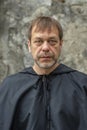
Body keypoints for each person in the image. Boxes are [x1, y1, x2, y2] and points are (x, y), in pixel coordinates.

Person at [0, 16, 87, 130]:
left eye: (52, 41)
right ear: (29, 45)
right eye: (38, 41)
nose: (45, 48)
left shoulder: (82, 85)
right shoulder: (10, 87)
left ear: (60, 44)